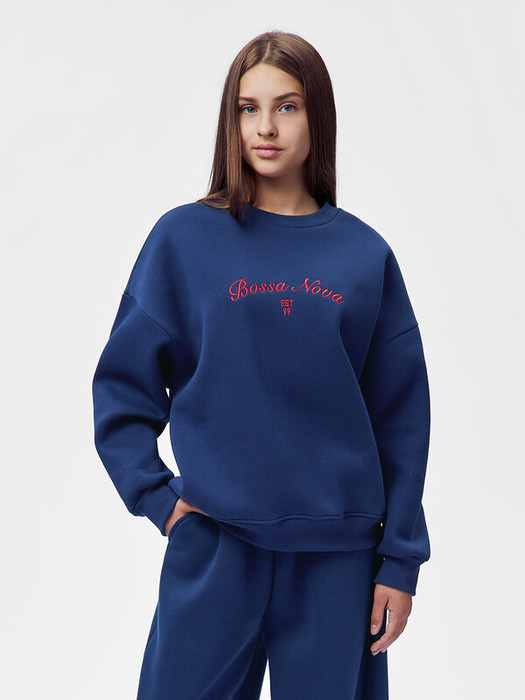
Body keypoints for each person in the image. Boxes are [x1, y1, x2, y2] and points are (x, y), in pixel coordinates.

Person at [92, 30, 431, 700]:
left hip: (339, 560)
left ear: (317, 116)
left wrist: (400, 560)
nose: (265, 127)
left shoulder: (364, 257)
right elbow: (123, 390)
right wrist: (160, 501)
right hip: (216, 544)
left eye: (287, 106)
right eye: (248, 108)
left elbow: (401, 424)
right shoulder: (183, 240)